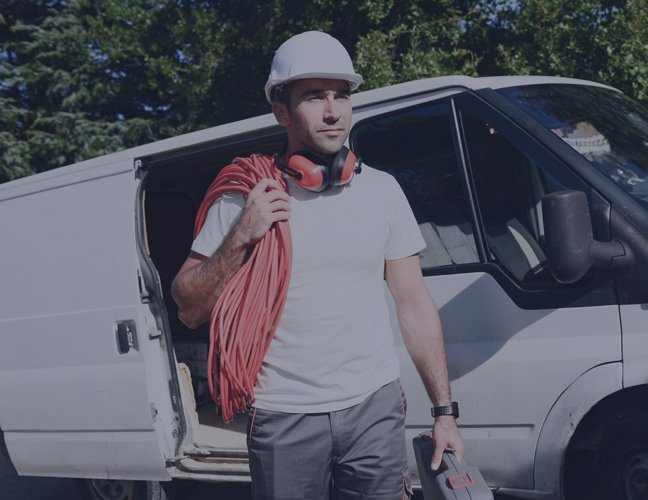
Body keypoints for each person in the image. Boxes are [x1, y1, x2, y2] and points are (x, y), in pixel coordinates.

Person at [171, 30, 464, 499]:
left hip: (374, 409)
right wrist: (242, 235)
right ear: (281, 110)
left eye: (341, 95)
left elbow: (413, 305)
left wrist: (444, 412)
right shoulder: (245, 197)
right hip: (284, 417)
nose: (333, 112)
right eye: (313, 97)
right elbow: (188, 306)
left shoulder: (382, 191)